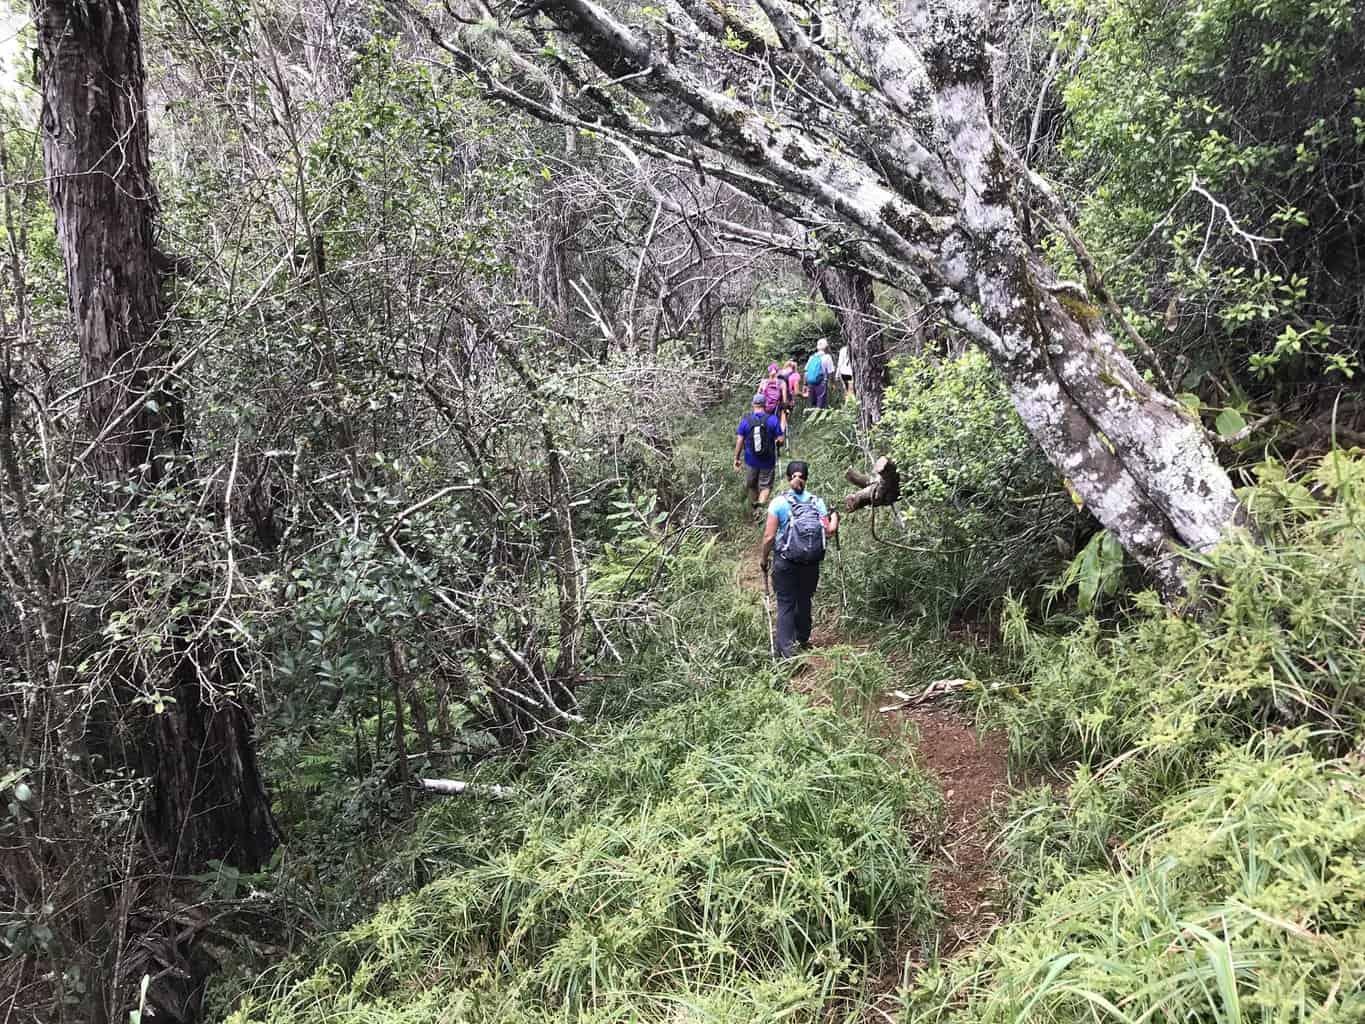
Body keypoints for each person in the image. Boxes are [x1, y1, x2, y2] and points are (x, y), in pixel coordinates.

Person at [760, 460, 839, 657]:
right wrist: (835, 516)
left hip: (786, 561)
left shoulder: (778, 503)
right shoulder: (817, 502)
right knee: (804, 598)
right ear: (807, 478)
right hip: (811, 561)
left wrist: (764, 558)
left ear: (788, 478)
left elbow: (769, 537)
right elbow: (829, 531)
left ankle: (787, 653)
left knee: (786, 602)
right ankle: (802, 638)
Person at [733, 392, 785, 517]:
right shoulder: (772, 420)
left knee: (752, 485)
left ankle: (753, 509)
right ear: (765, 405)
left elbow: (740, 441)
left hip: (751, 461)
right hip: (768, 460)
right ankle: (760, 509)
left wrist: (736, 458)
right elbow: (781, 440)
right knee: (765, 486)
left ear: (753, 404)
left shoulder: (746, 421)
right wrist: (777, 442)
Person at [804, 338, 836, 409]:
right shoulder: (827, 357)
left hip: (810, 383)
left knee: (812, 404)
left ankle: (813, 418)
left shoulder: (811, 357)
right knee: (821, 405)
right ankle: (820, 418)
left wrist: (805, 385)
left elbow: (806, 372)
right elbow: (831, 372)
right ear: (826, 347)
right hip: (821, 383)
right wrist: (832, 383)